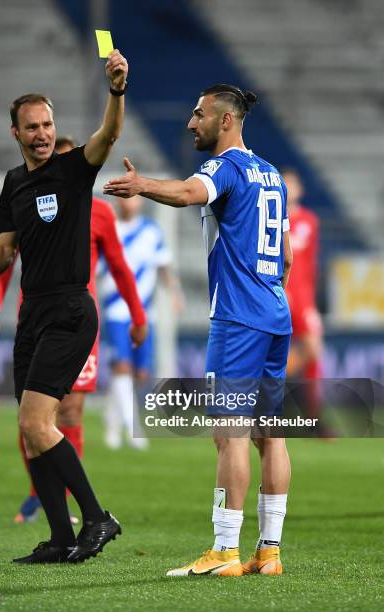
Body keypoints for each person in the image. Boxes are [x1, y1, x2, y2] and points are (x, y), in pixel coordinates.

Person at [104, 84, 293, 577]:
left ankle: (225, 551)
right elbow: (288, 256)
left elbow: (190, 193)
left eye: (199, 114)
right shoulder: (272, 175)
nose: (191, 123)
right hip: (276, 312)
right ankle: (268, 552)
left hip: (238, 318)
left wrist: (143, 184)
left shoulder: (226, 166)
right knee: (271, 435)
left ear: (225, 121)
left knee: (229, 434)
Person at [0, 50, 132, 564]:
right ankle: (61, 537)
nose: (42, 133)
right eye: (32, 127)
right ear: (14, 133)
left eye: (48, 124)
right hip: (31, 313)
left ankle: (97, 517)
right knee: (28, 428)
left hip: (69, 310)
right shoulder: (14, 184)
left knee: (40, 423)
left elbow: (107, 137)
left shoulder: (72, 170)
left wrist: (116, 90)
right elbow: (5, 247)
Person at [0, 135, 147, 523]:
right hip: (33, 316)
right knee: (32, 416)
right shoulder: (29, 195)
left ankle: (72, 504)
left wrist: (139, 316)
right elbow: (6, 253)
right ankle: (40, 493)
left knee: (69, 412)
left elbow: (120, 268)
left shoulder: (99, 212)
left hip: (72, 322)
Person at [100, 195, 183, 450]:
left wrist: (175, 292)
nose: (129, 201)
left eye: (133, 197)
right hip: (115, 309)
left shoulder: (151, 231)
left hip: (144, 313)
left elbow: (163, 266)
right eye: (125, 197)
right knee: (122, 367)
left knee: (139, 374)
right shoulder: (108, 229)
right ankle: (133, 428)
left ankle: (112, 424)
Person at [282, 169, 323, 418]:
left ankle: (312, 413)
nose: (289, 188)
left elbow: (311, 265)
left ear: (300, 190)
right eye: (284, 184)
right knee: (276, 351)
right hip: (281, 294)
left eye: (292, 184)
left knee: (313, 351)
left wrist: (312, 303)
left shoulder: (309, 221)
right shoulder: (273, 219)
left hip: (304, 298)